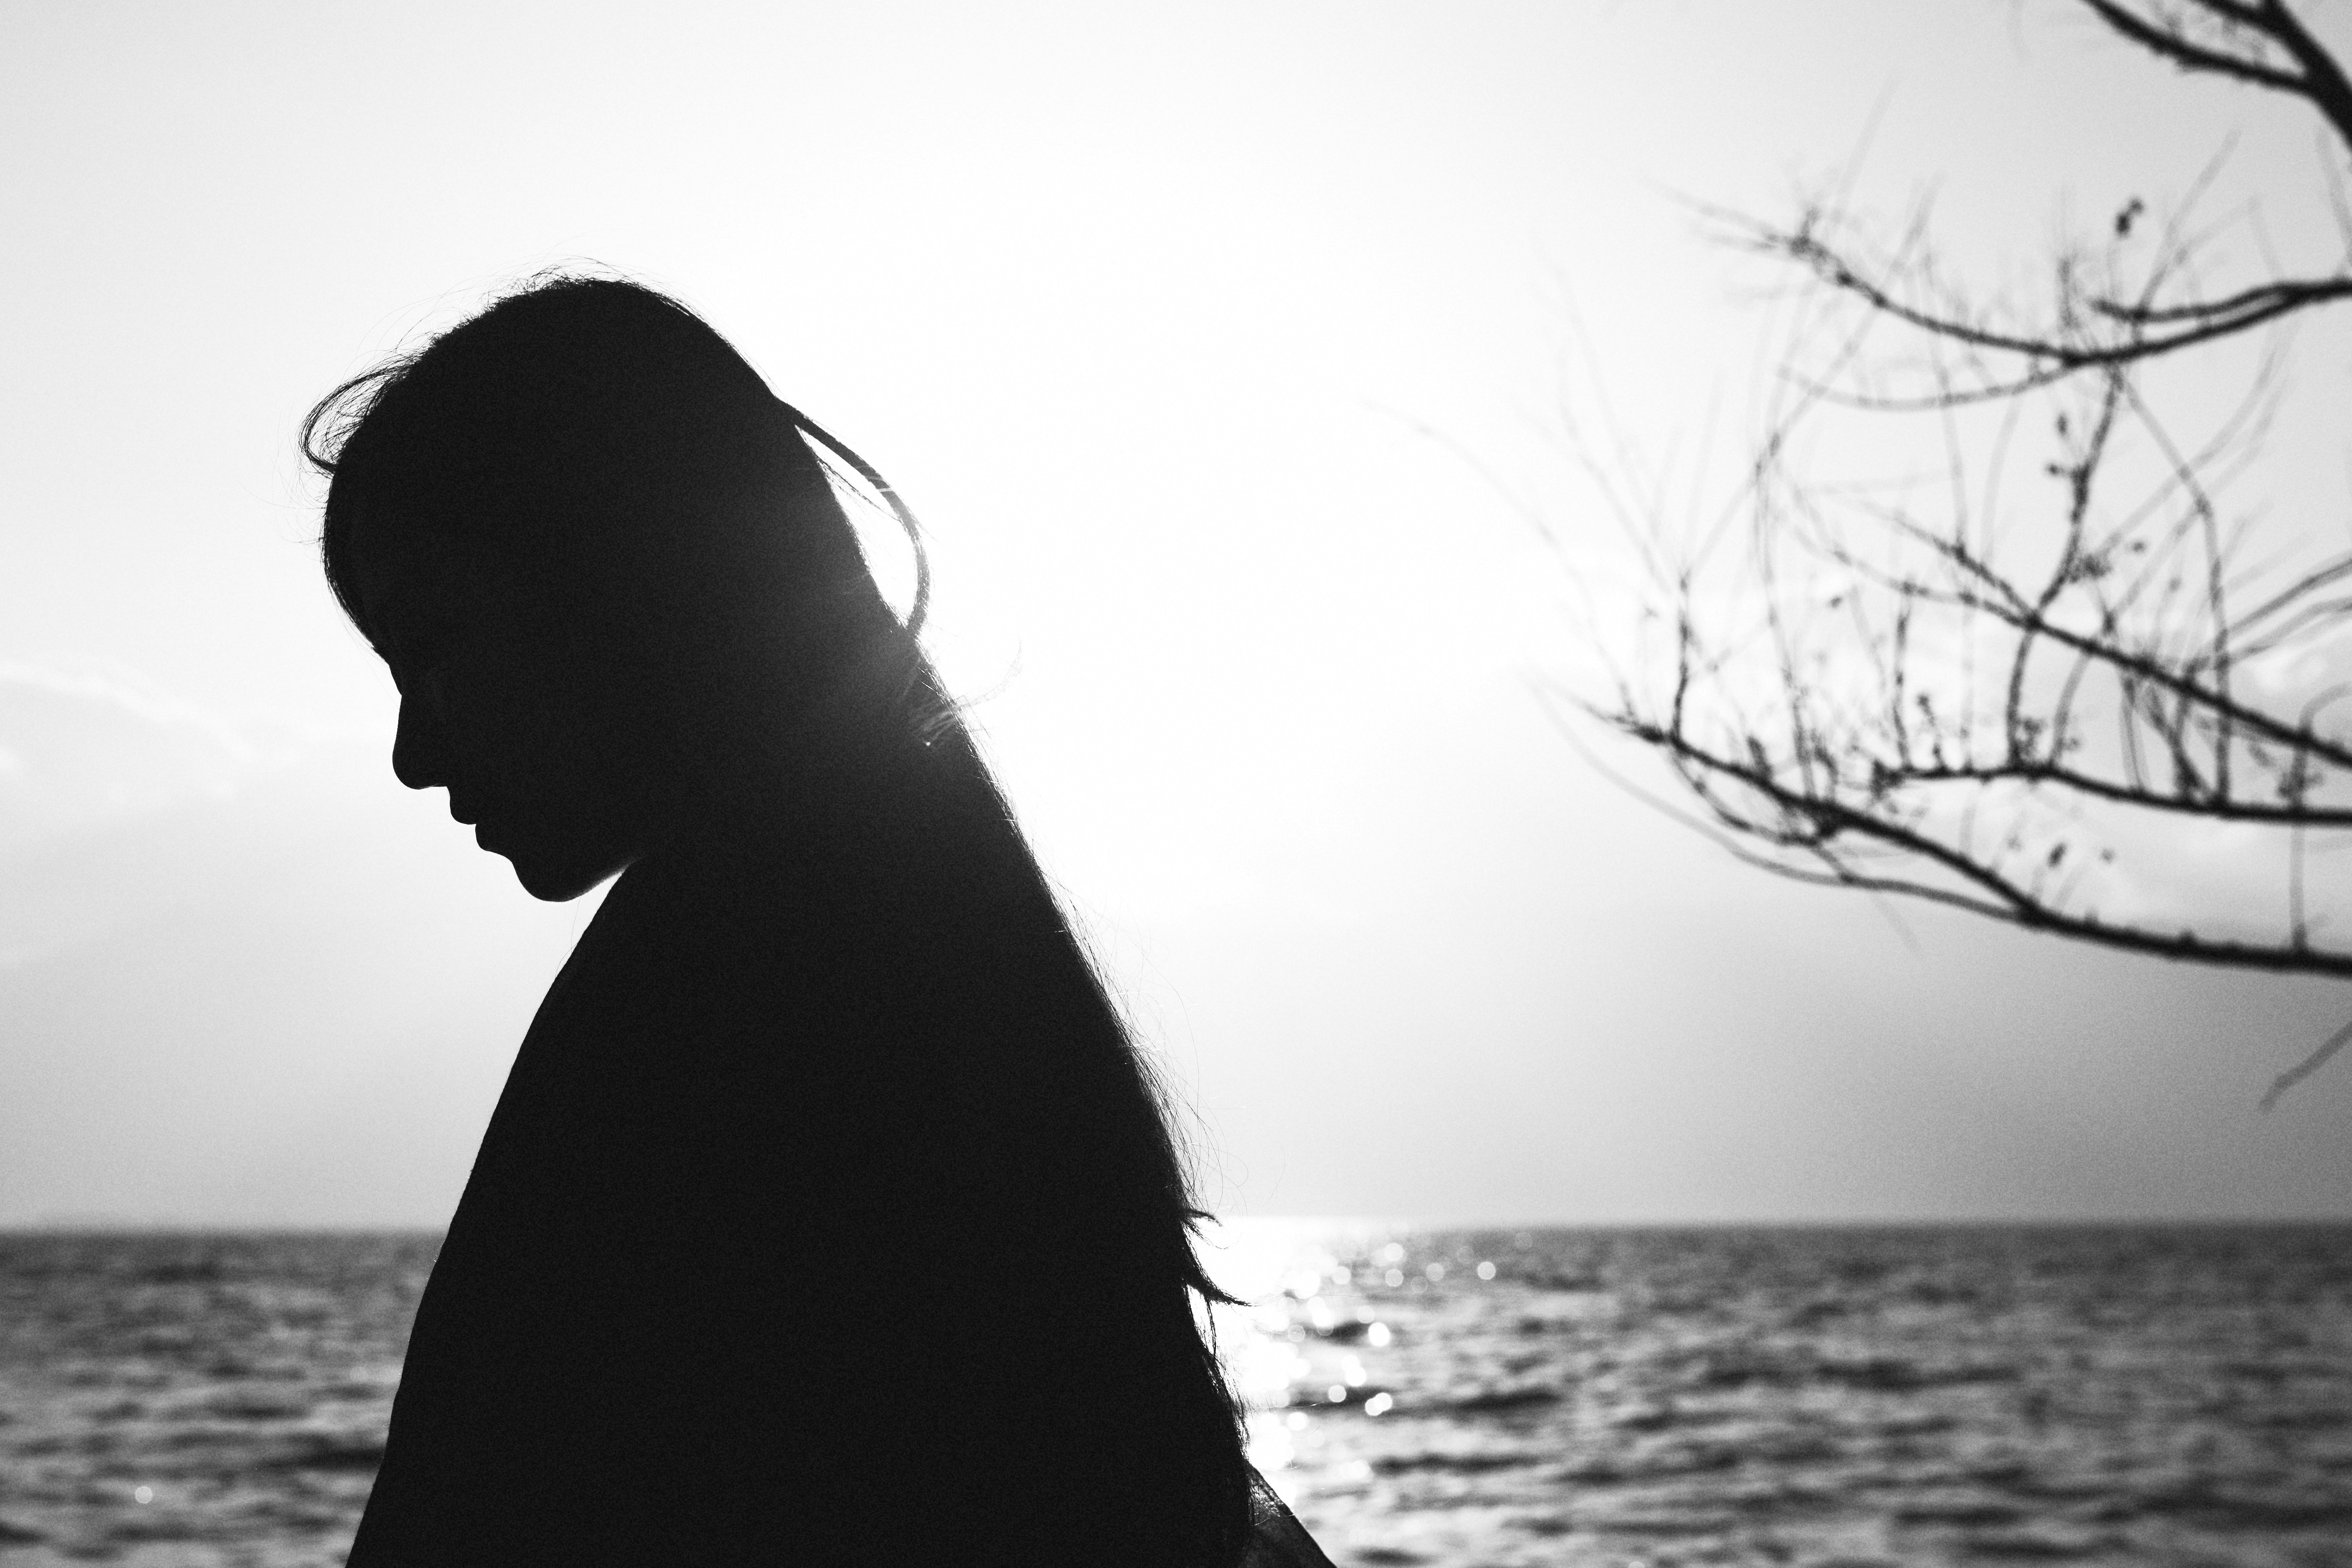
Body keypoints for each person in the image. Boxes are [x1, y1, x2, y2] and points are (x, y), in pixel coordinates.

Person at [303, 275, 1334, 1567]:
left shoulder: (702, 1020)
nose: (410, 751)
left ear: (614, 586)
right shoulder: (938, 958)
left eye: (436, 645)